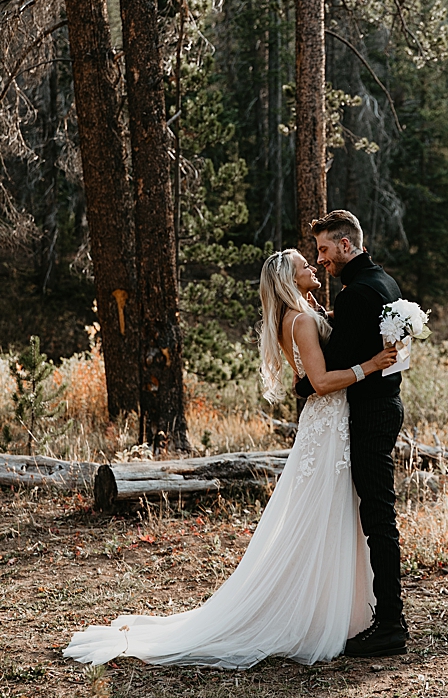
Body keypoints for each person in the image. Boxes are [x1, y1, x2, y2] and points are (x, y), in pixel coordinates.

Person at [64, 250, 398, 668]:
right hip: (328, 425)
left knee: (330, 514)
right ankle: (314, 612)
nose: (313, 265)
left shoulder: (300, 315)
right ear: (288, 279)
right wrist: (371, 364)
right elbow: (321, 381)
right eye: (303, 265)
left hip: (328, 425)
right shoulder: (301, 321)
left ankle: (334, 608)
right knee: (322, 515)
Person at [307, 210, 411, 657]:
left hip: (369, 414)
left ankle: (390, 623)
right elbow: (366, 340)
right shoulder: (386, 284)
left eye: (325, 250)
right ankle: (382, 615)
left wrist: (303, 378)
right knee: (377, 515)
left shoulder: (356, 294)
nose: (321, 259)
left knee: (379, 519)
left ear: (347, 245)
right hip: (388, 405)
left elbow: (335, 363)